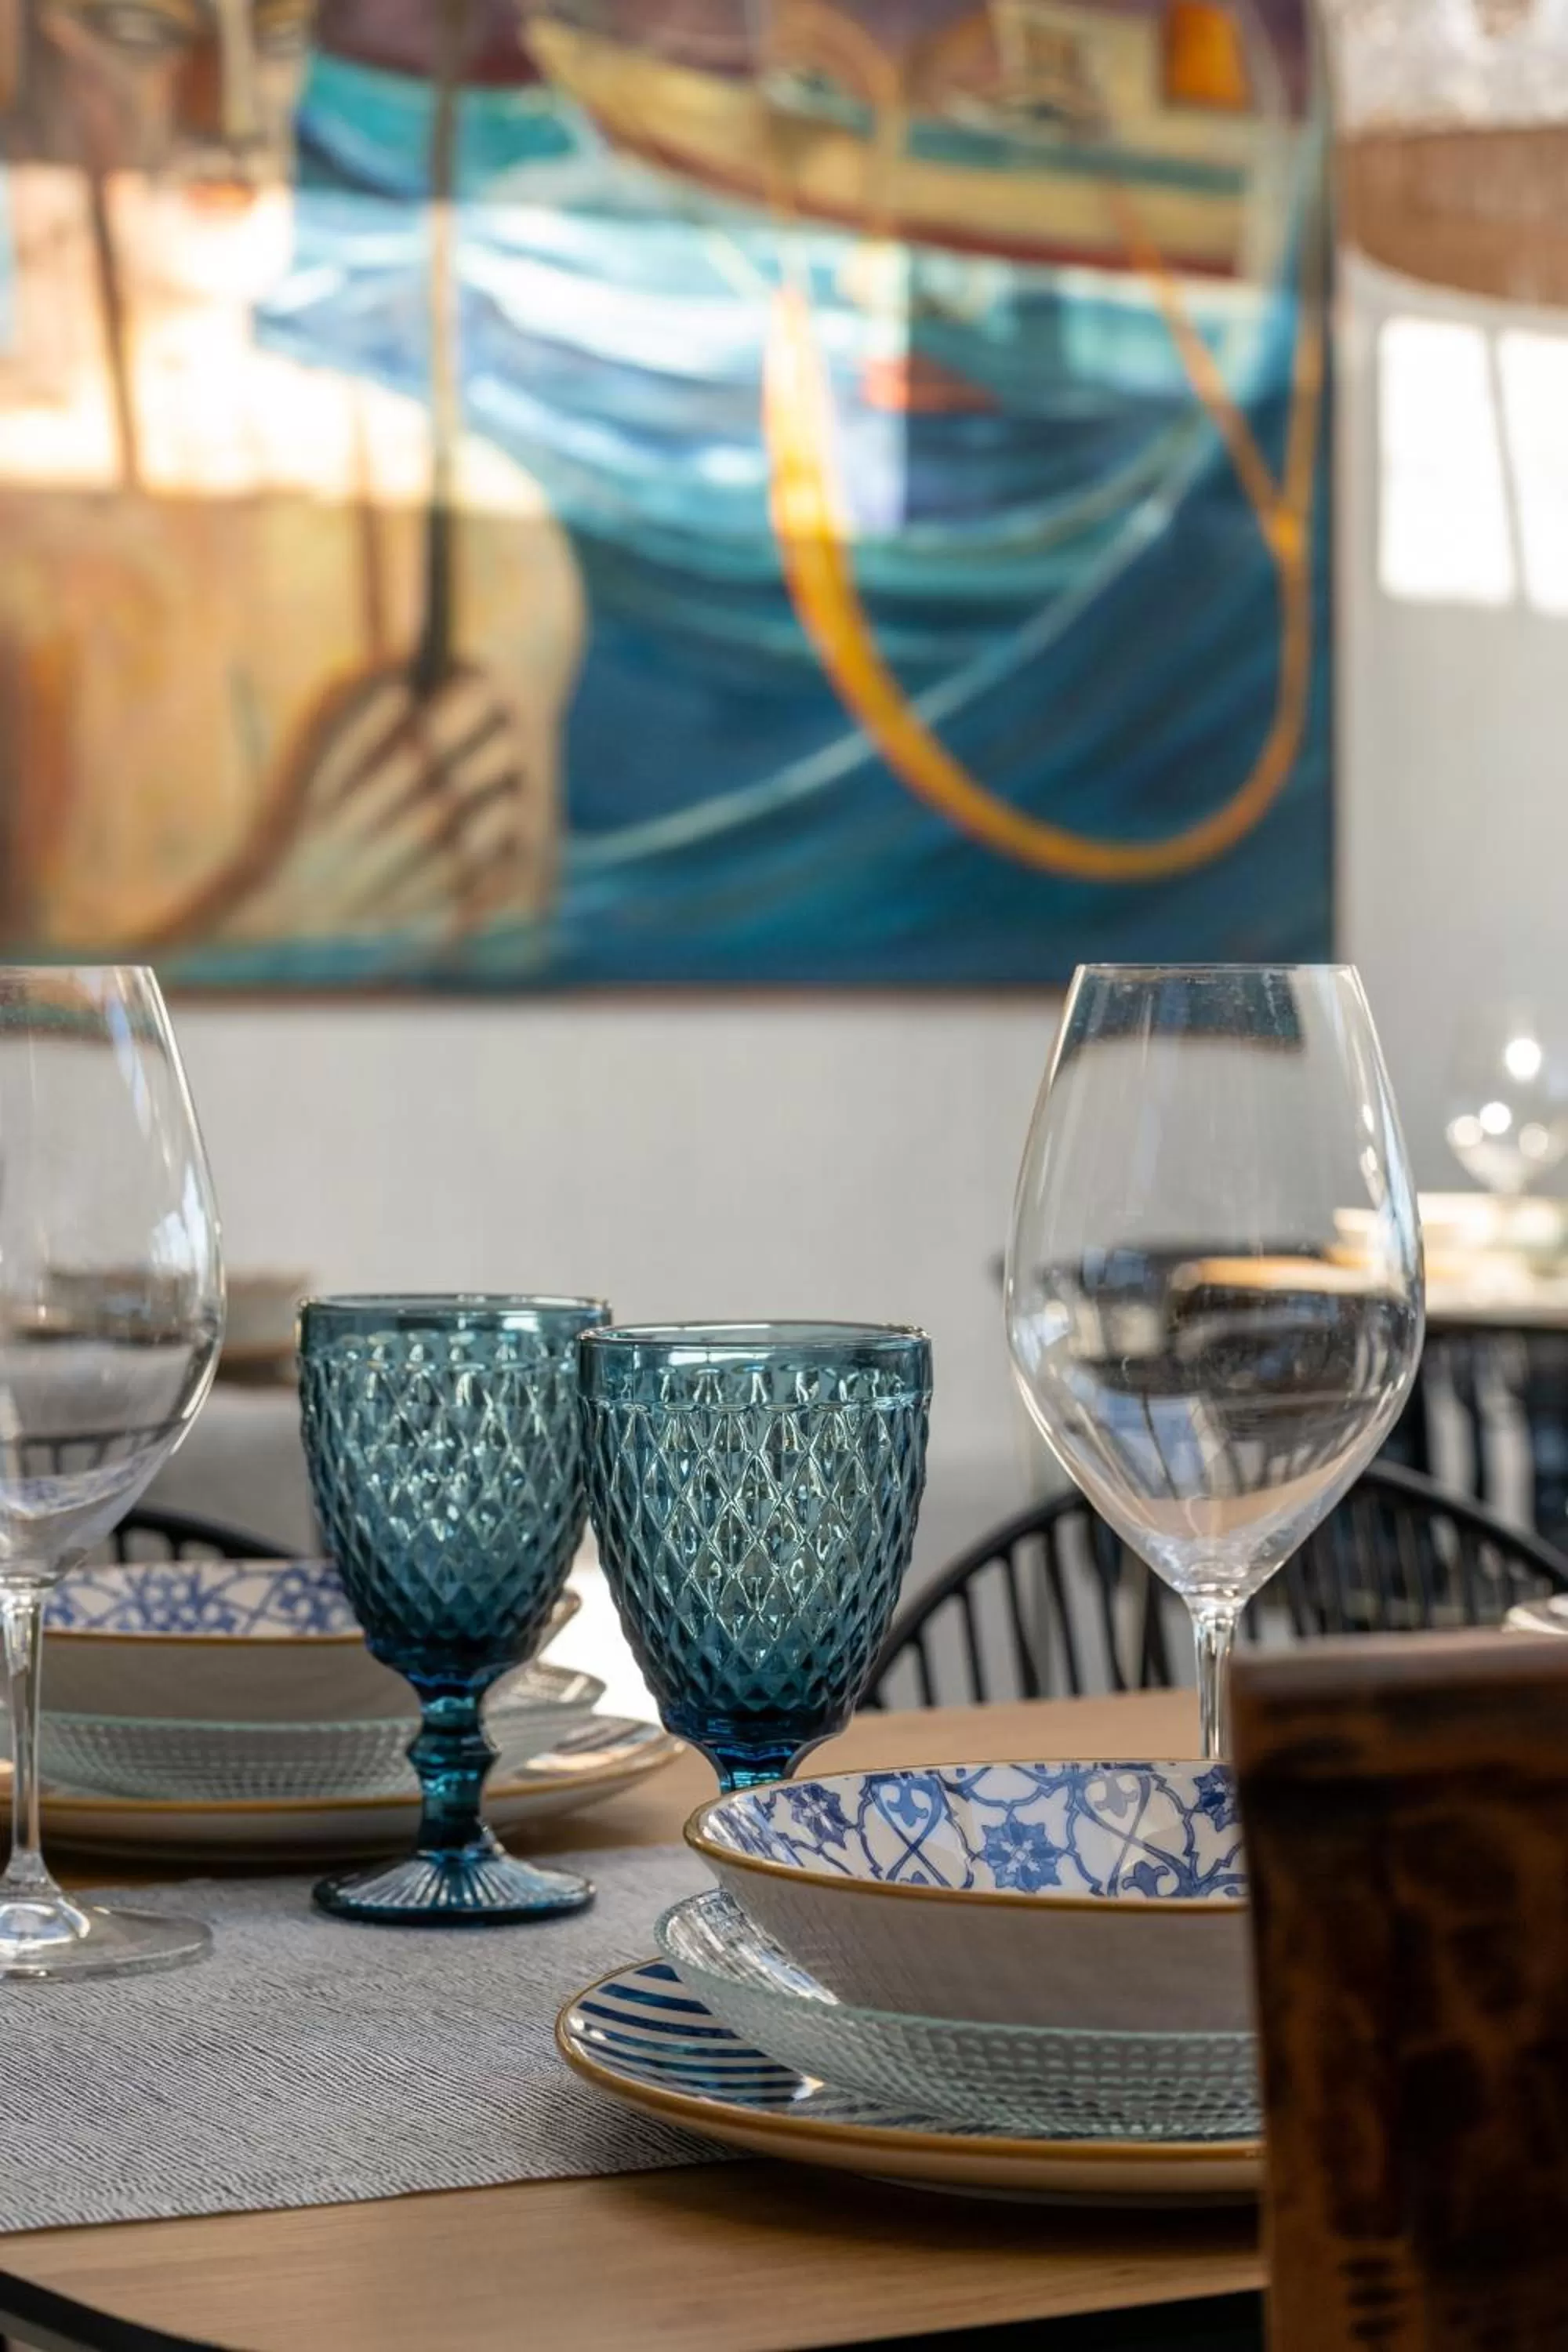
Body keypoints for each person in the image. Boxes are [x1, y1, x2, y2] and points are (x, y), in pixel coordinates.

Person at [0, 0, 583, 964]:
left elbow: (501, 1035)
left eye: (274, 40)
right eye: (147, 35)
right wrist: (280, 929)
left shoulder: (484, 537)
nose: (232, 114)